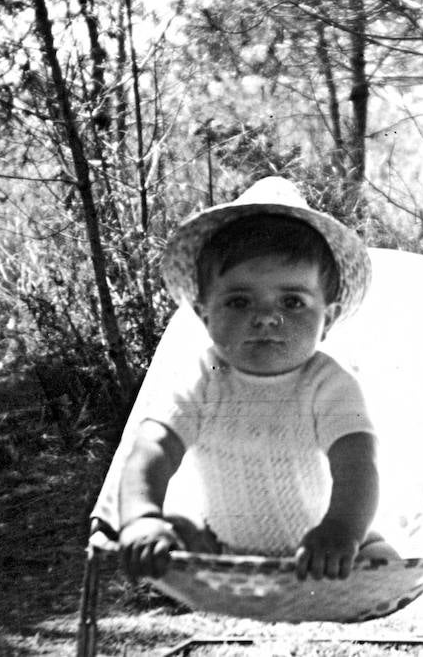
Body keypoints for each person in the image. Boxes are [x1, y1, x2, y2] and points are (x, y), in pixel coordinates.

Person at [117, 175, 393, 582]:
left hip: (322, 543)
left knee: (381, 557)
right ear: (204, 314)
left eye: (292, 301)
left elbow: (357, 463)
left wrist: (341, 531)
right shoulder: (203, 376)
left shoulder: (327, 383)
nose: (266, 317)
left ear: (328, 318)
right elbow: (154, 448)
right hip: (224, 545)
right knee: (175, 526)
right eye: (239, 301)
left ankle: (352, 551)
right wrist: (141, 517)